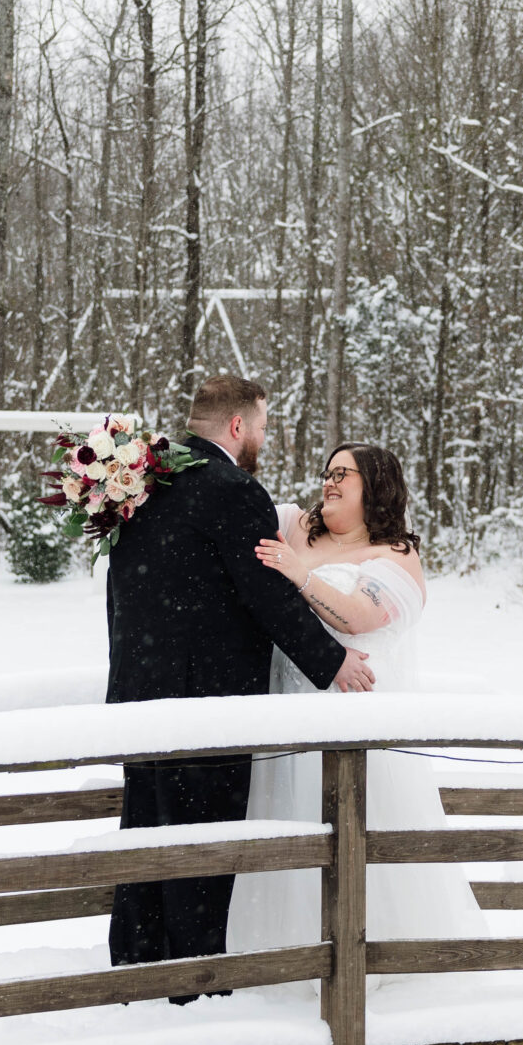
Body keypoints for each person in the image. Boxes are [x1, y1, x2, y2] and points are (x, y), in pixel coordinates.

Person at [105, 375, 373, 970]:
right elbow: (266, 594)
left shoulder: (139, 482)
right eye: (262, 426)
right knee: (201, 851)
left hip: (135, 699)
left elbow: (122, 593)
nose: (263, 437)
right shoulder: (232, 489)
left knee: (144, 842)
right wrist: (332, 662)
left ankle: (133, 973)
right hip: (208, 709)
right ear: (237, 426)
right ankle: (193, 986)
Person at [225, 442, 484, 956]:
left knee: (352, 843)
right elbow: (227, 513)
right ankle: (273, 959)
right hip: (281, 722)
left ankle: (360, 961)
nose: (329, 481)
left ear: (376, 488)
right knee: (280, 837)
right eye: (327, 471)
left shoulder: (396, 557)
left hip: (351, 730)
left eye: (344, 474)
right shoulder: (295, 526)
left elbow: (357, 618)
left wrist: (299, 573)